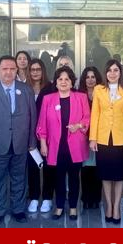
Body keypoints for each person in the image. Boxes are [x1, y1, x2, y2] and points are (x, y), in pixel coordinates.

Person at [0, 55, 38, 226]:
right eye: (5, 69)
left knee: (19, 178)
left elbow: (33, 117)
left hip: (21, 142)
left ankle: (18, 209)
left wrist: (32, 142)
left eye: (12, 69)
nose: (8, 72)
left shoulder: (26, 89)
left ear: (17, 70)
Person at [37, 67, 91, 220]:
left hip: (75, 145)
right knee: (58, 177)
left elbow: (88, 118)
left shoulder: (81, 97)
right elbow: (42, 123)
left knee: (74, 177)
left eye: (67, 79)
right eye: (60, 79)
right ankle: (59, 206)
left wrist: (78, 125)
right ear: (56, 82)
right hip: (56, 146)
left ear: (72, 82)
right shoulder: (48, 99)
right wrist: (43, 143)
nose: (63, 82)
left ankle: (73, 207)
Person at [90, 60, 123, 224]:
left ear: (120, 72)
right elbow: (95, 114)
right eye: (109, 70)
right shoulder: (98, 89)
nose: (112, 73)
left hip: (121, 138)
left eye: (116, 70)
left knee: (118, 175)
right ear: (105, 72)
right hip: (103, 138)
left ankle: (116, 206)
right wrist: (92, 138)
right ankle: (108, 205)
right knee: (105, 175)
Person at [27, 59, 56, 213]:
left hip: (48, 133)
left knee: (49, 165)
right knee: (32, 166)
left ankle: (47, 198)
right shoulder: (24, 88)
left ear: (43, 70)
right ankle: (33, 197)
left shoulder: (51, 88)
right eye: (32, 69)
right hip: (29, 133)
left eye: (38, 69)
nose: (35, 72)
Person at [78, 66, 103, 210]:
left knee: (97, 168)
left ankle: (96, 198)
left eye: (93, 77)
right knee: (86, 168)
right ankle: (86, 198)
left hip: (99, 136)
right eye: (87, 77)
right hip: (83, 136)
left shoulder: (103, 93)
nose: (90, 80)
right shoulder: (79, 94)